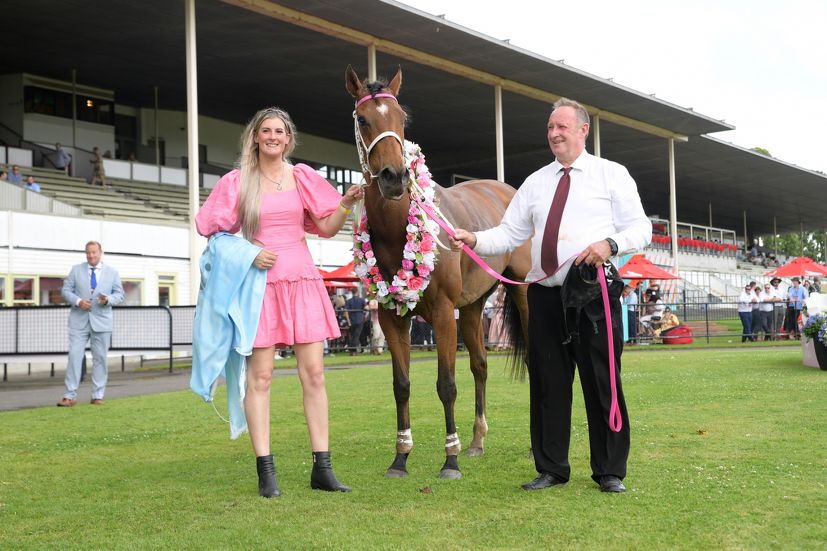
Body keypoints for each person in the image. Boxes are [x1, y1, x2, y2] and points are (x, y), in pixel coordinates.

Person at [449, 97, 651, 493]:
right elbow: (509, 234)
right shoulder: (536, 182)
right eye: (549, 128)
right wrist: (473, 238)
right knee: (547, 384)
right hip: (544, 293)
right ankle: (551, 467)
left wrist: (610, 243)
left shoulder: (612, 175)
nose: (554, 134)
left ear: (582, 130)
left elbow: (641, 228)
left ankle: (610, 471)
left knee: (602, 380)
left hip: (592, 293)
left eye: (561, 127)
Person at [194, 107, 363, 497]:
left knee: (315, 376)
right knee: (262, 377)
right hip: (260, 286)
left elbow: (324, 228)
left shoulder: (302, 176)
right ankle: (265, 472)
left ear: (288, 139)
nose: (273, 136)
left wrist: (346, 203)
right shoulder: (237, 182)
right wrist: (248, 252)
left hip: (302, 278)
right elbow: (212, 233)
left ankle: (323, 468)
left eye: (280, 131)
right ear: (255, 136)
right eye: (266, 130)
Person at [57, 241, 124, 407]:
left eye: (94, 252)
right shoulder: (76, 270)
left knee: (100, 359)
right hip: (78, 321)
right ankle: (69, 395)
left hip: (102, 322)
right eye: (88, 252)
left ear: (100, 252)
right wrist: (78, 301)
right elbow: (65, 291)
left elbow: (120, 294)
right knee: (74, 356)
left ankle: (97, 395)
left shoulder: (112, 273)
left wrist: (108, 299)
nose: (91, 255)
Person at [487, 284, 511, 351]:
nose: (500, 290)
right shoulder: (495, 295)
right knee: (496, 329)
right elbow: (494, 303)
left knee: (504, 329)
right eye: (499, 289)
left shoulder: (505, 295)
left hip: (502, 314)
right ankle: (498, 344)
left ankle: (504, 344)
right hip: (497, 315)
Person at [344, 290, 367, 355]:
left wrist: (348, 321)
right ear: (358, 292)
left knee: (352, 335)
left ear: (352, 293)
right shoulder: (362, 300)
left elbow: (346, 311)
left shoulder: (348, 301)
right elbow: (366, 308)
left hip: (352, 320)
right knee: (357, 335)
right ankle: (353, 351)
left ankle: (352, 350)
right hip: (360, 319)